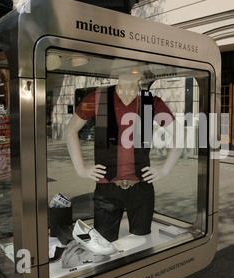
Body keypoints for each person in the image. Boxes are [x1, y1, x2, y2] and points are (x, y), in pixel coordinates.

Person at [65, 70, 182, 243]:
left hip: (141, 189)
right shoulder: (97, 98)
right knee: (103, 243)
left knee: (142, 241)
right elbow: (70, 130)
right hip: (107, 188)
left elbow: (179, 134)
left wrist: (165, 170)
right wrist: (81, 170)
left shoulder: (151, 101)